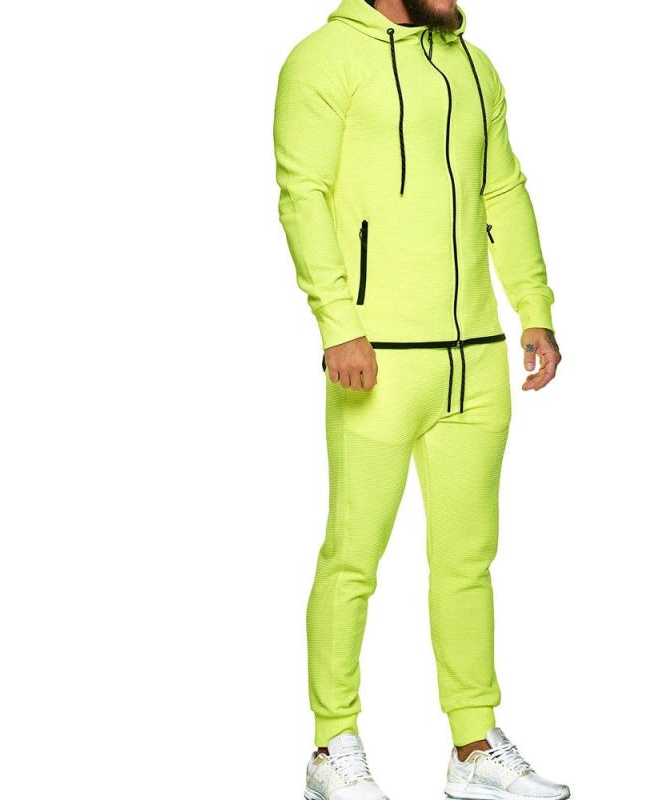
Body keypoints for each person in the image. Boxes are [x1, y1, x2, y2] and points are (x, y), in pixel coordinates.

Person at [274, 1, 568, 798]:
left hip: (475, 358)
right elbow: (302, 195)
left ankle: (472, 748)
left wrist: (533, 308)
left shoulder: (475, 65)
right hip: (376, 358)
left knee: (467, 561)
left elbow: (502, 190)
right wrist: (339, 324)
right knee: (352, 559)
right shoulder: (324, 59)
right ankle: (332, 746)